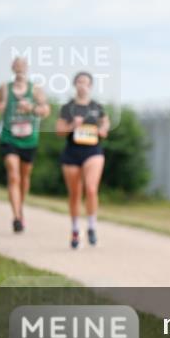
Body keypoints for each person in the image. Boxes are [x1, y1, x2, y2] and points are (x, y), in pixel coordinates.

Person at [0, 57, 51, 233]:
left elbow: (46, 110)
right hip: (9, 137)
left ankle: (20, 208)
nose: (19, 68)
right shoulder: (5, 88)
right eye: (16, 66)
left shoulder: (35, 89)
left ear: (27, 68)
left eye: (23, 65)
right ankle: (17, 217)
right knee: (13, 175)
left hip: (29, 139)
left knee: (24, 178)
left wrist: (31, 108)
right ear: (12, 68)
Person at [55, 71, 110, 249]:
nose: (82, 85)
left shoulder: (97, 107)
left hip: (93, 151)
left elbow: (105, 126)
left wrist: (102, 130)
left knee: (92, 189)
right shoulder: (67, 108)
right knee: (75, 194)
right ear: (74, 85)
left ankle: (92, 226)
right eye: (79, 82)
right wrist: (73, 125)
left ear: (90, 86)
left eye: (85, 82)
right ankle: (75, 229)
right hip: (72, 152)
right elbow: (59, 131)